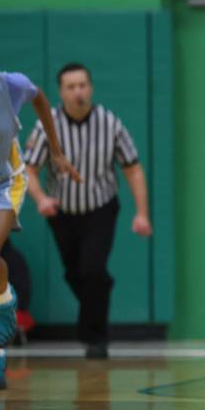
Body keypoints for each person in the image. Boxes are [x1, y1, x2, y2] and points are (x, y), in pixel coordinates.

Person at [0, 26, 78, 389]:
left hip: (2, 182)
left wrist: (56, 151)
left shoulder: (10, 85)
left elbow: (40, 99)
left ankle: (6, 299)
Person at [23, 63, 152, 359]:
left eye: (82, 85)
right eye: (71, 86)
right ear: (61, 92)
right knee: (75, 274)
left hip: (100, 209)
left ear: (91, 88)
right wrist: (41, 198)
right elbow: (28, 169)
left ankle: (95, 339)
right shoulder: (47, 125)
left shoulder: (110, 123)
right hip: (62, 212)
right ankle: (98, 303)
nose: (78, 91)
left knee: (92, 270)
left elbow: (132, 169)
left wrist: (142, 213)